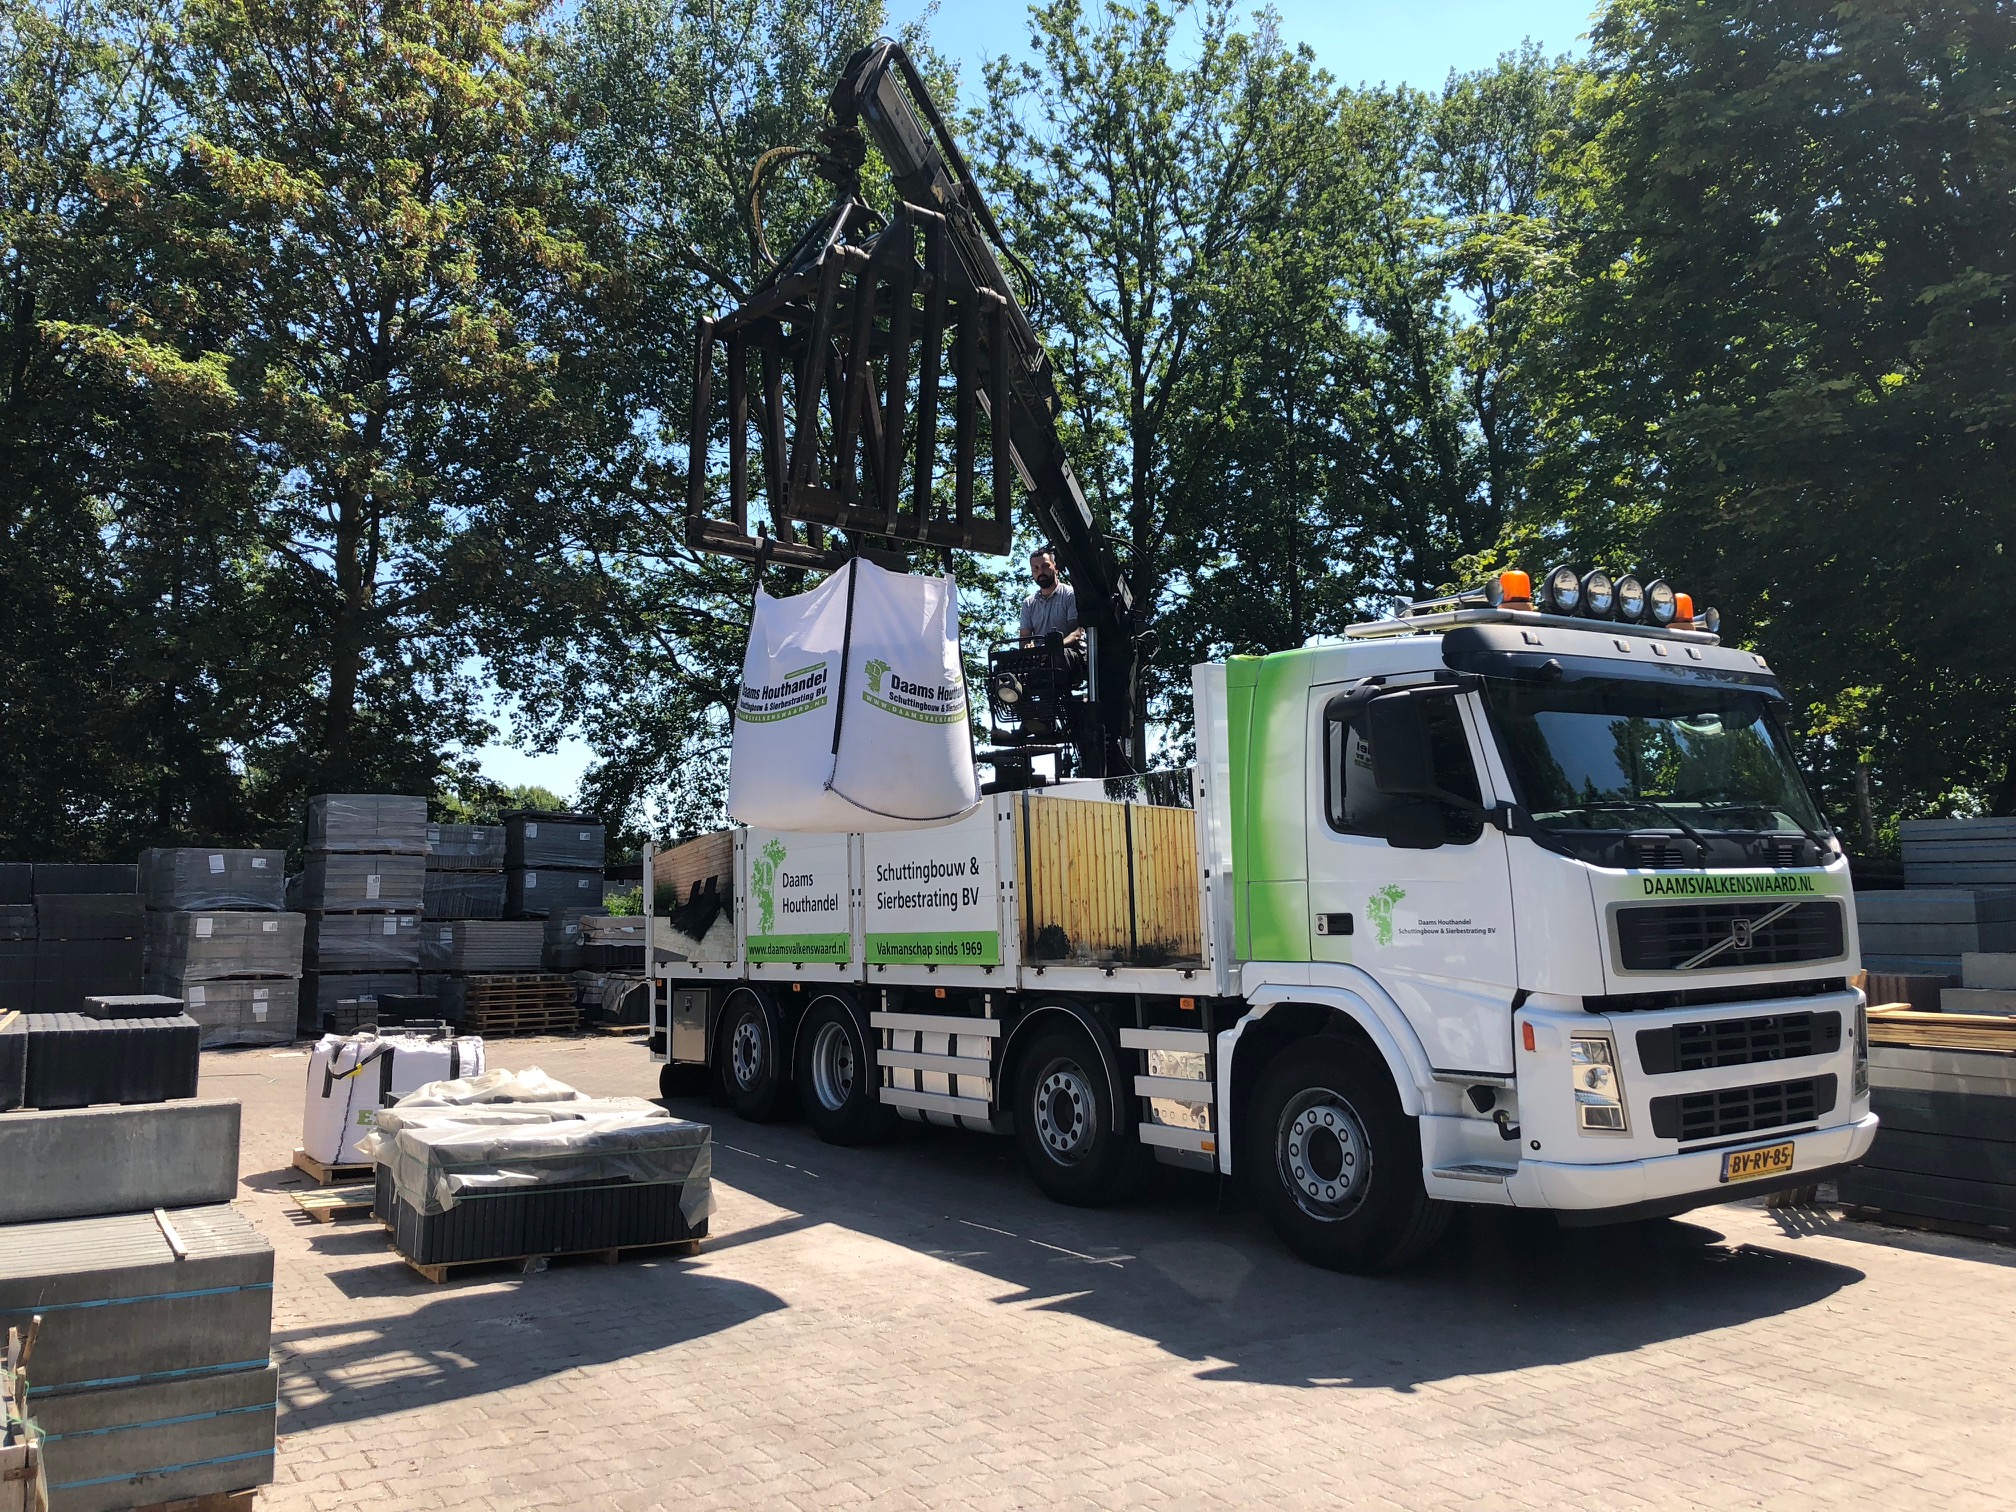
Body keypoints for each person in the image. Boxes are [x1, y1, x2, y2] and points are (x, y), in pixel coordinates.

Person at [1019, 548, 1082, 647]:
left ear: (1055, 568)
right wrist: (1028, 647)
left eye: (1045, 566)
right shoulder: (1028, 603)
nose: (1040, 571)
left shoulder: (1070, 594)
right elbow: (1024, 640)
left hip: (1068, 650)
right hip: (1040, 653)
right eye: (1035, 568)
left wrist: (1053, 647)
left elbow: (1076, 633)